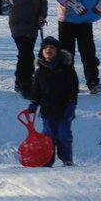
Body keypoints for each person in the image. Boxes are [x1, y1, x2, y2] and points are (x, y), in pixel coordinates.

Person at [27, 36, 79, 167]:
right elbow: (37, 90)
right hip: (47, 111)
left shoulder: (67, 69)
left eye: (51, 47)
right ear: (41, 52)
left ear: (58, 51)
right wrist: (34, 103)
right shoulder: (40, 72)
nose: (48, 50)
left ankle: (67, 159)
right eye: (45, 48)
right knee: (48, 138)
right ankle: (47, 160)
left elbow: (73, 88)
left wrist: (72, 103)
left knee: (64, 136)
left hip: (64, 110)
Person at [7, 0, 48, 99]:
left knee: (28, 53)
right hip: (18, 25)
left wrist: (42, 15)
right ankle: (23, 81)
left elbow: (43, 2)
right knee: (25, 53)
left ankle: (26, 79)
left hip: (32, 25)